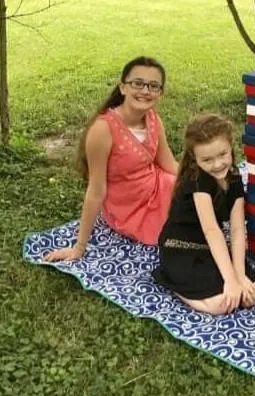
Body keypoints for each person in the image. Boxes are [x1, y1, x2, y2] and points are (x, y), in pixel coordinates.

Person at [44, 56, 177, 262]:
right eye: (138, 83)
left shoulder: (153, 120)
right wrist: (79, 248)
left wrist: (200, 176)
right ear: (123, 87)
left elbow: (168, 164)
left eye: (153, 86)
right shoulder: (103, 129)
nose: (145, 91)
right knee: (185, 227)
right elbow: (96, 191)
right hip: (128, 207)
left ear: (160, 93)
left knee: (200, 194)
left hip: (158, 187)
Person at [152, 113, 255, 315]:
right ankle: (174, 284)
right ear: (195, 158)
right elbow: (211, 230)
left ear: (231, 148)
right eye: (207, 159)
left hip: (211, 249)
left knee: (250, 294)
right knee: (222, 305)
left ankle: (225, 281)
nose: (217, 164)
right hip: (181, 250)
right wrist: (230, 280)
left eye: (222, 155)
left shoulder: (234, 177)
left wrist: (240, 275)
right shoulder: (197, 181)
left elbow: (237, 229)